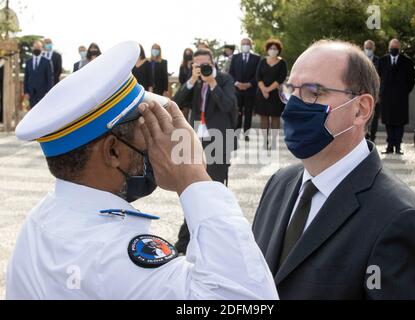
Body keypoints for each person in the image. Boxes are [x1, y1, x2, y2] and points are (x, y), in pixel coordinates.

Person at [6, 41, 278, 300]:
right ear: (112, 151)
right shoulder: (118, 256)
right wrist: (193, 177)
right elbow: (248, 298)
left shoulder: (37, 223)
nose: (156, 142)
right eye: (146, 131)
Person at [252, 40, 415, 300]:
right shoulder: (279, 183)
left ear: (360, 109)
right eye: (290, 90)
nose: (293, 105)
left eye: (313, 91)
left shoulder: (398, 218)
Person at [173, 48, 238, 254]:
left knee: (214, 188)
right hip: (194, 139)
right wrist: (192, 81)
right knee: (192, 187)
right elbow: (176, 102)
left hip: (218, 139)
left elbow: (228, 105)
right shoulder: (194, 81)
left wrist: (212, 83)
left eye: (205, 64)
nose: (202, 68)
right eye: (197, 65)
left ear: (213, 62)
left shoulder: (225, 79)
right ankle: (186, 240)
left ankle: (209, 239)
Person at [378, 38, 415, 155]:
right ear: (389, 48)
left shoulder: (407, 61)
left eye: (396, 48)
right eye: (391, 48)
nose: (393, 50)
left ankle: (398, 146)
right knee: (388, 122)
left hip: (401, 98)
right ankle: (390, 146)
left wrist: (404, 92)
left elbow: (411, 81)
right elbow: (378, 78)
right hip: (387, 97)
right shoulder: (383, 60)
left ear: (399, 49)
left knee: (400, 122)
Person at [254, 39, 288, 148]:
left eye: (275, 49)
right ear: (267, 50)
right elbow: (258, 77)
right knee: (263, 117)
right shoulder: (262, 61)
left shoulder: (282, 63)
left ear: (278, 50)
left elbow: (280, 78)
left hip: (276, 94)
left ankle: (274, 141)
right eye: (271, 48)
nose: (273, 50)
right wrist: (264, 90)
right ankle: (265, 141)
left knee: (275, 118)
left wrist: (268, 90)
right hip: (262, 93)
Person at [229, 38, 260, 140]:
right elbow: (231, 73)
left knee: (248, 113)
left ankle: (246, 134)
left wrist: (249, 84)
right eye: (243, 44)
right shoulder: (235, 57)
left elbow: (258, 75)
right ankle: (236, 134)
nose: (245, 45)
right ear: (240, 45)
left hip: (250, 90)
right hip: (237, 90)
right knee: (237, 112)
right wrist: (237, 83)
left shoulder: (256, 58)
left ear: (251, 45)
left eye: (247, 44)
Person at [24, 40, 53, 108]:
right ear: (32, 48)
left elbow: (50, 78)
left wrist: (48, 92)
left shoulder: (47, 62)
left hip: (43, 93)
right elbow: (26, 78)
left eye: (39, 47)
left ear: (42, 48)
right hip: (31, 93)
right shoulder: (28, 62)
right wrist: (26, 92)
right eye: (35, 47)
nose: (37, 49)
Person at [363, 40, 381, 142]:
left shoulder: (379, 61)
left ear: (373, 48)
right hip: (362, 93)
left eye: (370, 48)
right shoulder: (359, 60)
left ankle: (372, 138)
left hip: (375, 94)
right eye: (367, 48)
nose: (368, 50)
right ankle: (363, 137)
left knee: (374, 118)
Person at [178, 48, 194, 119]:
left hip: (194, 92)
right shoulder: (182, 66)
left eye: (189, 53)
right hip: (186, 92)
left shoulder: (195, 65)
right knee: (185, 112)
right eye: (186, 53)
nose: (188, 55)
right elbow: (181, 79)